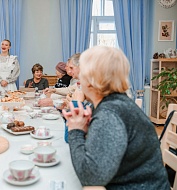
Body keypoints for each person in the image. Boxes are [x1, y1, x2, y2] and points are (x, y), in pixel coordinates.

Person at [62, 46, 170, 189]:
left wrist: (76, 131)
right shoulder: (114, 103)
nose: (79, 78)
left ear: (91, 79)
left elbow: (91, 178)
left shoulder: (110, 114)